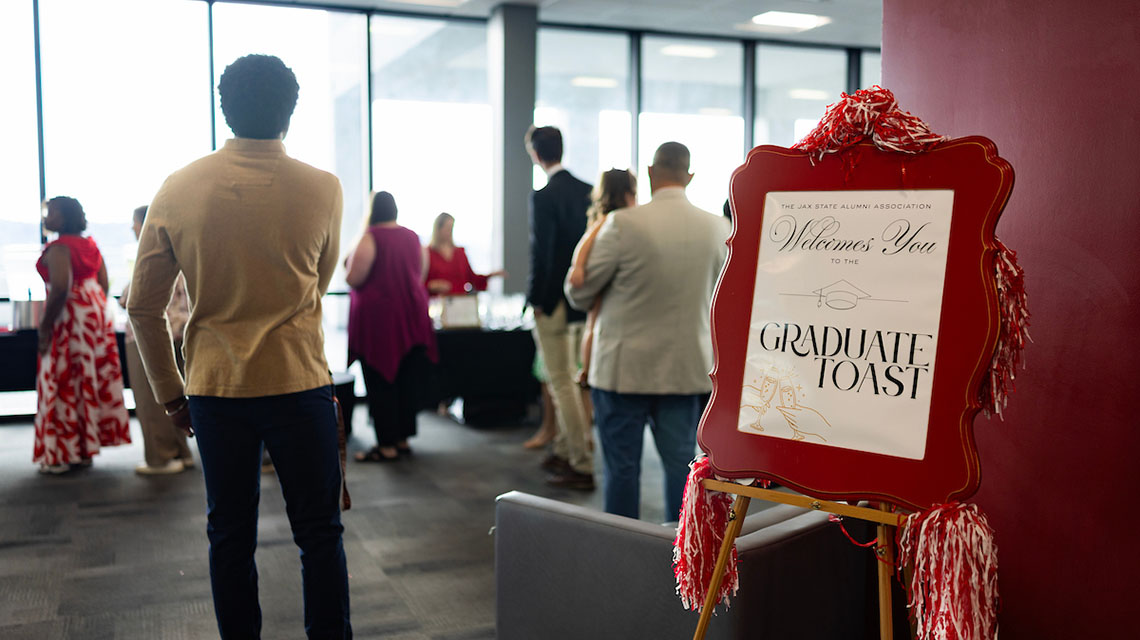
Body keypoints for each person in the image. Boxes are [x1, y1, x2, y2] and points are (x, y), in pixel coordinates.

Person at [127, 54, 350, 638]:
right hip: (300, 381)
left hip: (214, 389)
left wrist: (171, 396)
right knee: (320, 536)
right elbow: (317, 286)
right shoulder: (323, 188)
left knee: (229, 537)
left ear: (224, 109)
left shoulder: (179, 187)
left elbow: (141, 306)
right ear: (290, 113)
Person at [565, 142, 728, 520]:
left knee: (621, 470)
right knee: (680, 469)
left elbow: (580, 293)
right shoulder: (718, 229)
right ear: (689, 176)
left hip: (623, 370)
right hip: (686, 369)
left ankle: (620, 556)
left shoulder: (622, 224)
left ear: (652, 173)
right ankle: (677, 555)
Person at [34, 196, 131, 474]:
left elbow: (61, 287)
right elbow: (102, 283)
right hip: (93, 315)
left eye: (50, 213)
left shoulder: (59, 247)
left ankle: (64, 453)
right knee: (87, 378)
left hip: (70, 317)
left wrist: (45, 327)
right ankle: (84, 449)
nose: (45, 218)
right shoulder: (91, 245)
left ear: (63, 218)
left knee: (64, 380)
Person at [524, 125, 595, 490]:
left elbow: (544, 255)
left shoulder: (543, 195)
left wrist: (536, 300)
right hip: (582, 302)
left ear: (536, 155)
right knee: (572, 380)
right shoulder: (587, 191)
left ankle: (580, 462)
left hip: (553, 301)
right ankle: (567, 449)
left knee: (560, 381)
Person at [346, 191, 437, 463]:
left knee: (380, 380)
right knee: (405, 379)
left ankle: (386, 445)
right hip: (411, 315)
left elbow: (354, 277)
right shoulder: (413, 237)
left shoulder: (371, 236)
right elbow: (420, 273)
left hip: (380, 321)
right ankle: (402, 439)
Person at [121, 205, 193, 475]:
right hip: (180, 330)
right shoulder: (183, 250)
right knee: (179, 394)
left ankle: (162, 457)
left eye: (135, 222)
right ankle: (182, 452)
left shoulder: (151, 254)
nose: (132, 228)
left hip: (150, 333)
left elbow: (133, 301)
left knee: (154, 401)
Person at [567, 168, 638, 388]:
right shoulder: (611, 218)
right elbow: (585, 242)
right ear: (627, 193)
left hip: (606, 273)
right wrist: (578, 266)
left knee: (593, 323)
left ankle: (586, 370)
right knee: (593, 323)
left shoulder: (609, 217)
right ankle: (586, 370)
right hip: (604, 276)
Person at [424, 212, 505, 296]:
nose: (449, 231)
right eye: (447, 228)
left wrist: (491, 275)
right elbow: (419, 283)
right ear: (438, 229)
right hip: (437, 303)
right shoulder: (427, 254)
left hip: (460, 302)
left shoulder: (460, 253)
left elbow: (472, 278)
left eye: (451, 228)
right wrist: (431, 286)